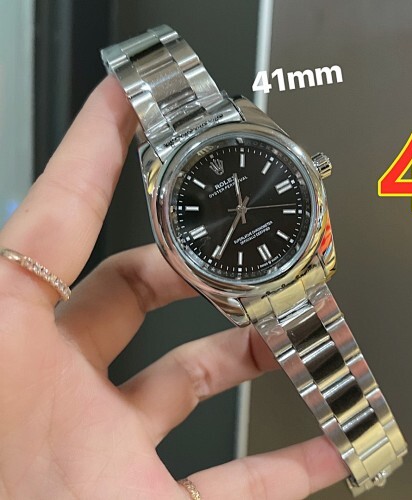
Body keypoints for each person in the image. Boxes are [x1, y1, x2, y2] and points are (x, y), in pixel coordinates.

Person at [0, 77, 348, 499]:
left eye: (244, 204)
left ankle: (363, 449)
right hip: (246, 283)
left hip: (298, 260)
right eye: (236, 209)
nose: (241, 210)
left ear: (313, 169)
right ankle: (360, 451)